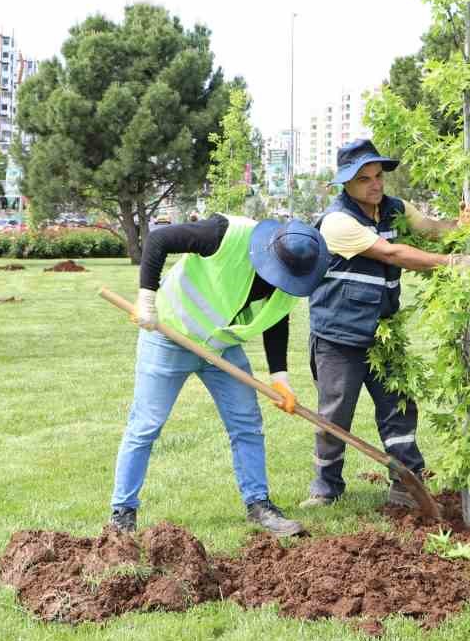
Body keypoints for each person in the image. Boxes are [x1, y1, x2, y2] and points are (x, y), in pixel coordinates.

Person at [110, 214, 331, 538]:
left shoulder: (297, 270)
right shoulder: (224, 234)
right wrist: (146, 297)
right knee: (145, 426)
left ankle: (259, 506)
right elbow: (158, 240)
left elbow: (275, 319)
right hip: (170, 337)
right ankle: (122, 514)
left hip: (222, 349)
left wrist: (280, 377)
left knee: (247, 425)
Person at [301, 138, 470, 510]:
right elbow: (391, 253)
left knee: (398, 406)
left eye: (378, 176)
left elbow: (430, 228)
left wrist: (460, 226)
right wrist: (449, 264)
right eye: (364, 179)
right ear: (345, 184)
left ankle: (407, 482)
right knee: (335, 413)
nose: (375, 184)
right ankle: (325, 487)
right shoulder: (337, 221)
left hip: (384, 331)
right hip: (339, 333)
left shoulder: (395, 208)